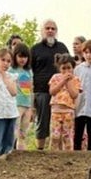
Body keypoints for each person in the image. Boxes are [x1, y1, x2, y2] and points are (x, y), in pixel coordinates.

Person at [31, 19, 69, 150]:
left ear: (56, 31)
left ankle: (56, 151)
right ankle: (40, 150)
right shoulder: (35, 49)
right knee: (43, 121)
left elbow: (68, 67)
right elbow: (30, 71)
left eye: (53, 28)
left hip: (61, 93)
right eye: (47, 28)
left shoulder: (62, 48)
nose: (50, 31)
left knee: (60, 122)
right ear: (42, 31)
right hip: (42, 91)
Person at [48, 53, 81, 151]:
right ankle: (53, 155)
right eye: (63, 68)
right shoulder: (55, 77)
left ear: (73, 67)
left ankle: (67, 156)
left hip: (68, 112)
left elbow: (74, 95)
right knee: (55, 136)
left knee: (67, 136)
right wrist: (62, 81)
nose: (66, 71)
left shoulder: (76, 79)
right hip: (56, 111)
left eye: (69, 68)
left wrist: (68, 82)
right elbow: (52, 92)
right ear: (59, 68)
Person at [9, 42, 34, 150]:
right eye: (20, 56)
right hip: (16, 104)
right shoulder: (11, 70)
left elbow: (31, 89)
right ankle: (9, 149)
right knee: (14, 129)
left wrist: (32, 107)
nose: (22, 59)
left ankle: (21, 151)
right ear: (15, 56)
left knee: (23, 132)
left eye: (25, 57)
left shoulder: (29, 71)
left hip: (27, 104)